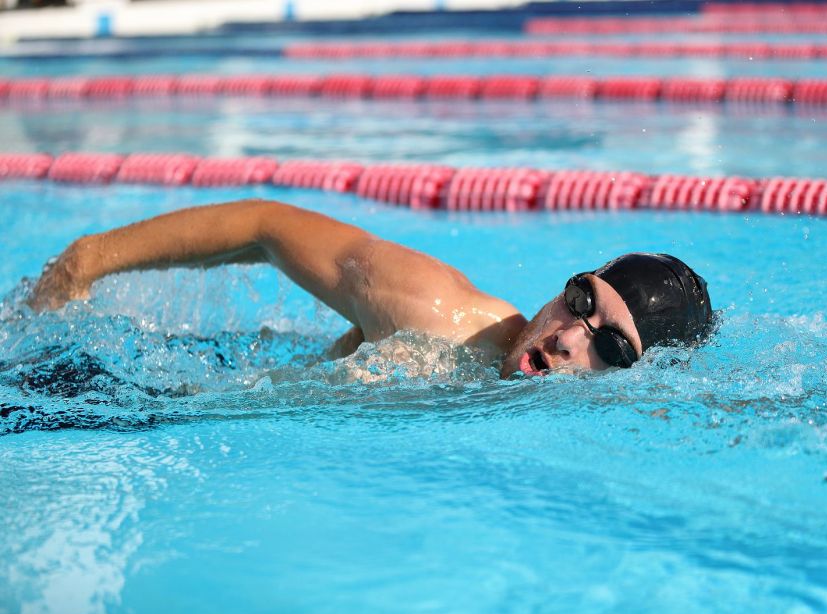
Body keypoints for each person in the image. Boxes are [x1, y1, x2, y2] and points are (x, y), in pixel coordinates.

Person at [27, 199, 713, 379]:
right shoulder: (435, 314)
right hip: (127, 390)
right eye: (581, 301)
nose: (566, 338)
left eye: (612, 351)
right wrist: (89, 260)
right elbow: (265, 226)